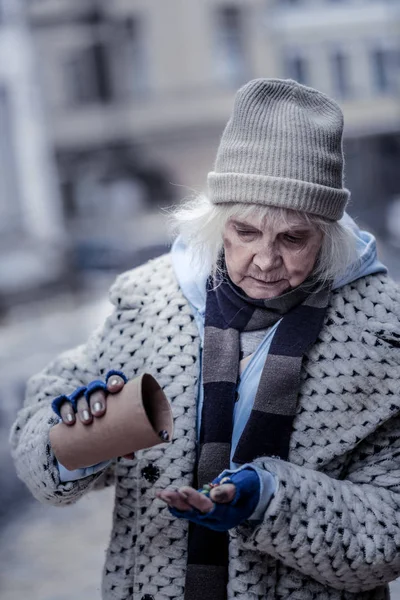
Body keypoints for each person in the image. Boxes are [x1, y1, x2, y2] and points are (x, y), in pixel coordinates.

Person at [10, 78, 400, 600]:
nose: (265, 260)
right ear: (217, 224)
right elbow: (38, 438)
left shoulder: (381, 334)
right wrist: (77, 436)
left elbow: (389, 533)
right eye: (245, 232)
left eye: (292, 238)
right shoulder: (148, 299)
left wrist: (268, 499)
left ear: (327, 236)